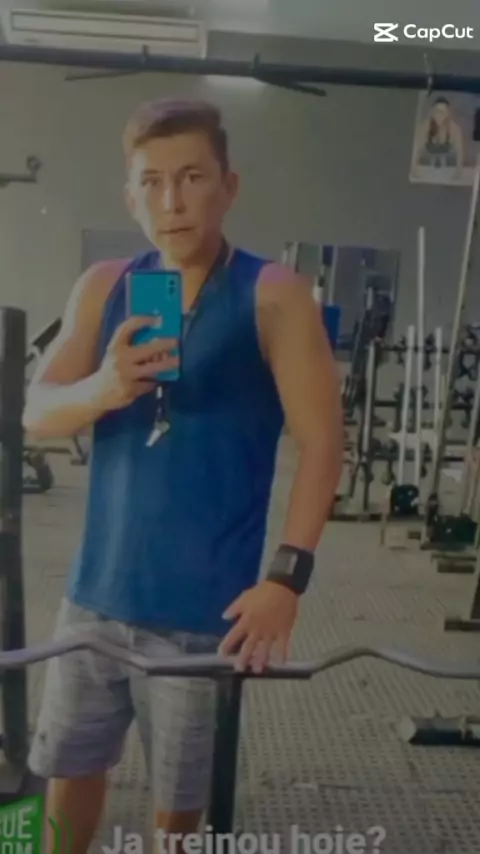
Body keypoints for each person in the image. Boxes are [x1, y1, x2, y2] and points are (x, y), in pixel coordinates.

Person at [24, 98, 343, 854]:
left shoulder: (274, 295)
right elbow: (34, 410)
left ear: (228, 187)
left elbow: (324, 445)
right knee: (68, 771)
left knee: (178, 807)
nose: (172, 201)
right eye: (153, 182)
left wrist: (286, 580)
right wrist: (104, 388)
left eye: (193, 177)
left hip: (204, 610)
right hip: (95, 596)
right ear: (130, 196)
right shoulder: (105, 286)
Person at [413, 96, 464, 170]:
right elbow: (416, 151)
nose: (439, 115)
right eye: (437, 111)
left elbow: (459, 153)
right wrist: (414, 169)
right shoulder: (424, 127)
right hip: (427, 168)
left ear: (448, 113)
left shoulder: (455, 129)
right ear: (432, 112)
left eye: (442, 112)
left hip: (447, 169)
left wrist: (459, 170)